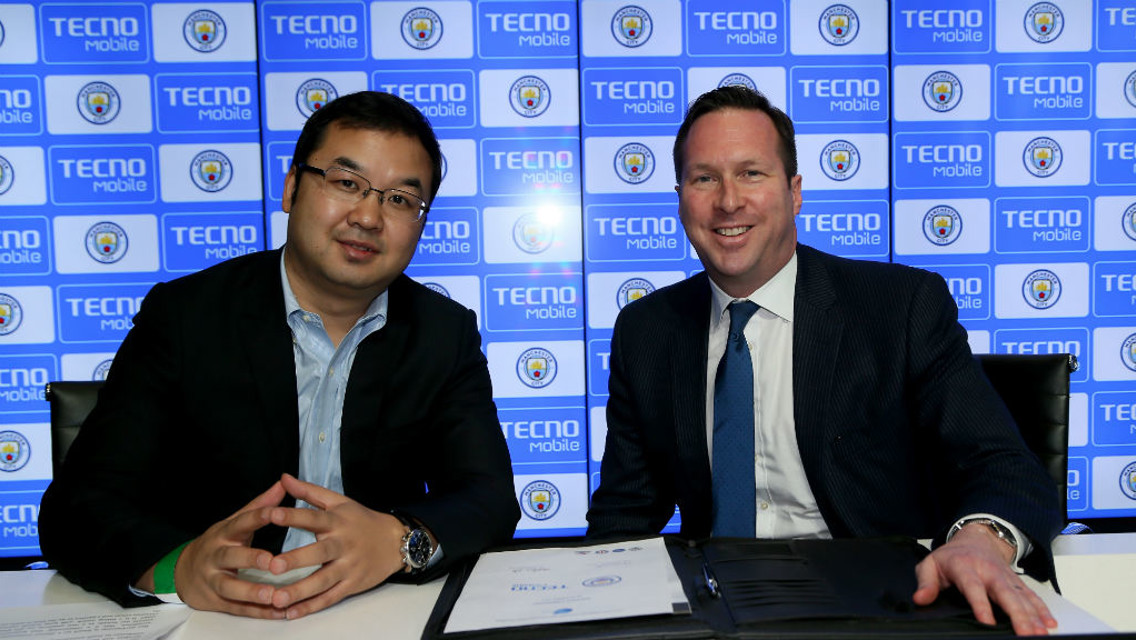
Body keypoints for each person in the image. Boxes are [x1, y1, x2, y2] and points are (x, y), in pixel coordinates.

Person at [586, 86, 1063, 636]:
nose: (728, 201)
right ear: (679, 198)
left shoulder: (900, 307)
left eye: (751, 174)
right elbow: (624, 517)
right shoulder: (646, 331)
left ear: (795, 193)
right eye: (704, 178)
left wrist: (981, 541)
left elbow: (1003, 465)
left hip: (879, 605)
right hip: (717, 611)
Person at [39, 91, 520, 620]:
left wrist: (398, 540)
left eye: (400, 200)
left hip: (373, 613)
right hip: (213, 619)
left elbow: (489, 498)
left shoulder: (443, 332)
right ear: (292, 187)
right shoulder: (185, 316)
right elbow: (76, 509)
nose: (367, 215)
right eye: (346, 183)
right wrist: (180, 567)